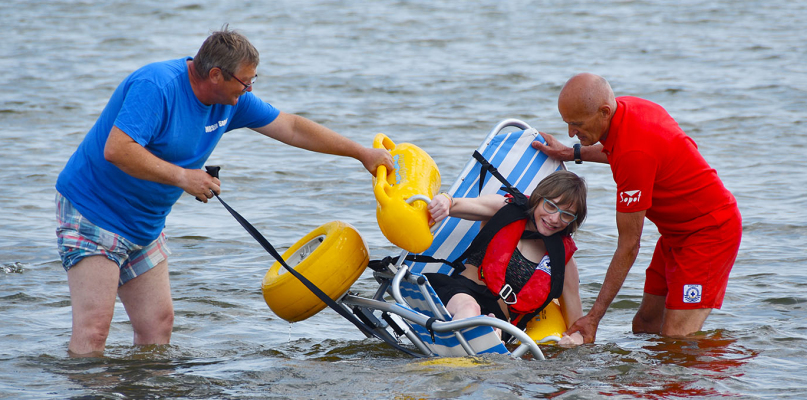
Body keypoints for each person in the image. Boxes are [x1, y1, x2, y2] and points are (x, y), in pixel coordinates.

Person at [54, 26, 394, 356]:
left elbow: (291, 127)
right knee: (94, 329)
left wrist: (360, 152)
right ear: (215, 75)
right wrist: (184, 178)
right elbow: (117, 149)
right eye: (245, 82)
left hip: (145, 222)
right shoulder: (156, 85)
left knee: (158, 325)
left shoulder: (232, 100)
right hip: (94, 211)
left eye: (252, 81)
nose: (248, 90)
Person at [532, 73, 742, 344]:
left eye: (577, 124)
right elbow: (616, 151)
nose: (571, 132)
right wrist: (570, 153)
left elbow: (628, 246)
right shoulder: (626, 110)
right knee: (644, 325)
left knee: (676, 340)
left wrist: (594, 317)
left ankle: (721, 375)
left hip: (710, 234)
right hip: (676, 234)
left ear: (604, 112)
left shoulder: (634, 153)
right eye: (567, 124)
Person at [425, 170, 588, 345]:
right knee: (471, 309)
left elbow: (578, 329)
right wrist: (445, 200)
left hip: (499, 323)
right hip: (459, 294)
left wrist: (574, 341)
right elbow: (455, 205)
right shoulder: (505, 210)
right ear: (538, 198)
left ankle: (475, 349)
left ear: (574, 221)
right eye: (551, 206)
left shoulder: (564, 262)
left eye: (567, 215)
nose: (555, 218)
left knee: (490, 327)